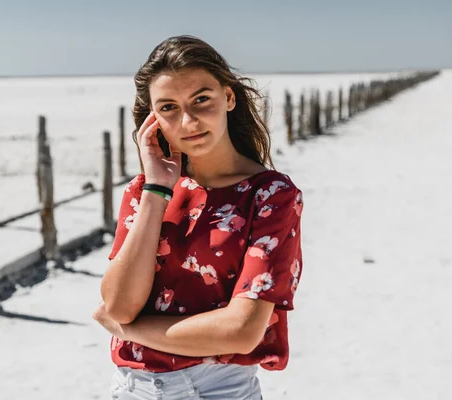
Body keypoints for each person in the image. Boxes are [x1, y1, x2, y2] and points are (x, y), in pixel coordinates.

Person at [93, 35, 304, 400]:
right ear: (153, 120)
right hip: (131, 390)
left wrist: (131, 331)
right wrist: (158, 189)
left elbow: (241, 331)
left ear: (229, 97)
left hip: (216, 390)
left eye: (201, 99)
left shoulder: (270, 196)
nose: (188, 121)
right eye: (169, 107)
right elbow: (119, 305)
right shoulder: (144, 192)